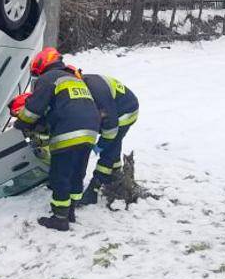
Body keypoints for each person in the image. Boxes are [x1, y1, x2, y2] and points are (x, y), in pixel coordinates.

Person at [10, 47, 100, 231]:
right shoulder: (75, 80)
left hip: (68, 131)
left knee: (60, 176)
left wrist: (20, 124)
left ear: (42, 66)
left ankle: (60, 218)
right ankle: (70, 212)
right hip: (90, 131)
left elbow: (33, 109)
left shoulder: (49, 79)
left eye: (36, 73)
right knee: (77, 174)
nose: (37, 77)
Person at [78, 72, 139, 205]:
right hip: (116, 108)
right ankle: (114, 175)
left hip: (125, 113)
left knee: (109, 149)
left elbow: (111, 127)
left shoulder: (97, 92)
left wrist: (101, 144)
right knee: (113, 146)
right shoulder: (85, 84)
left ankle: (94, 188)